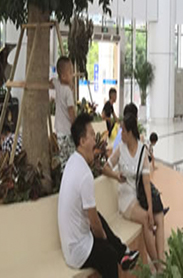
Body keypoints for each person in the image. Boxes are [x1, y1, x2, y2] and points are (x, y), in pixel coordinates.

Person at [58, 114, 140, 278]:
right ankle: (120, 253)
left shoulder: (73, 162)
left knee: (98, 216)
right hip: (77, 252)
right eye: (92, 135)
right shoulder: (85, 174)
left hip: (71, 244)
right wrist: (104, 240)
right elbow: (94, 225)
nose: (95, 140)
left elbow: (94, 217)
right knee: (109, 256)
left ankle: (123, 253)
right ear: (82, 141)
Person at [110, 113, 166, 266]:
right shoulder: (120, 149)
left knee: (159, 217)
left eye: (123, 130)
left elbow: (146, 182)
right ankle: (158, 266)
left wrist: (150, 208)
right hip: (126, 199)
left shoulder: (142, 150)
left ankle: (161, 261)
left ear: (130, 132)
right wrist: (116, 175)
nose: (121, 133)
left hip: (139, 195)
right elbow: (106, 167)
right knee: (146, 219)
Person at [54, 57, 77, 166]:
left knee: (63, 158)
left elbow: (52, 81)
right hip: (68, 131)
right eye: (71, 72)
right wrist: (75, 125)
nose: (72, 75)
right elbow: (71, 110)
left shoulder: (57, 84)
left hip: (59, 131)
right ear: (63, 76)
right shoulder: (68, 92)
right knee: (72, 158)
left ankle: (63, 173)